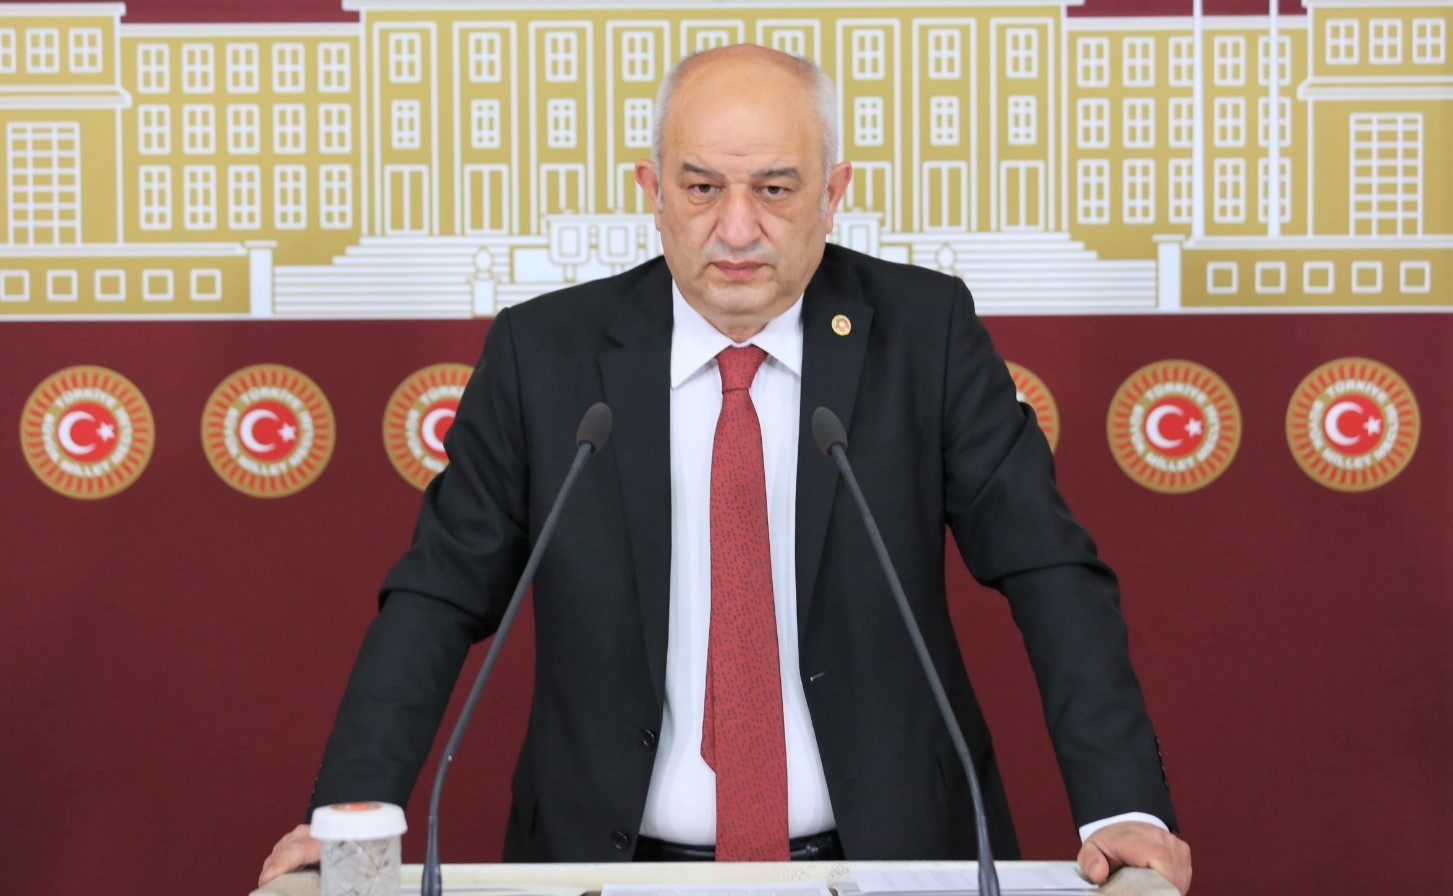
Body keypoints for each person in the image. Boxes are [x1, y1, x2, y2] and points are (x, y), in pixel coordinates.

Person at [261, 45, 1191, 892]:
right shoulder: (543, 356)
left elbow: (1048, 570)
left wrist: (1124, 808)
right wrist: (345, 814)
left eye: (775, 189)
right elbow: (437, 595)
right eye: (701, 187)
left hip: (884, 862)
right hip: (603, 871)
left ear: (833, 193)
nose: (736, 228)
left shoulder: (924, 334)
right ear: (651, 190)